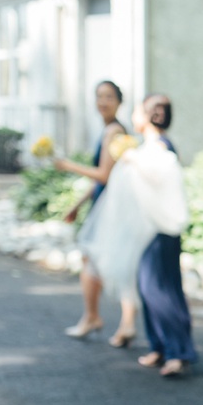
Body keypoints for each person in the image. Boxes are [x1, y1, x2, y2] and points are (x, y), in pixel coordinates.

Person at [57, 80, 139, 348]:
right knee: (107, 259)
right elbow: (105, 178)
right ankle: (108, 319)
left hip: (111, 207)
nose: (102, 101)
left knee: (99, 259)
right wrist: (79, 203)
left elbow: (104, 175)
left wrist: (69, 166)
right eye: (99, 96)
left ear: (119, 101)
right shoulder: (114, 129)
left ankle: (96, 317)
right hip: (106, 202)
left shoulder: (113, 132)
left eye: (108, 97)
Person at [128, 95, 197, 378]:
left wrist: (132, 159)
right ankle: (159, 346)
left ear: (149, 116)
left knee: (161, 289)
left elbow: (157, 178)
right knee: (149, 288)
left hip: (161, 229)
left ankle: (178, 352)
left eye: (136, 111)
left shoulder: (159, 147)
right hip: (150, 228)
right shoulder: (151, 146)